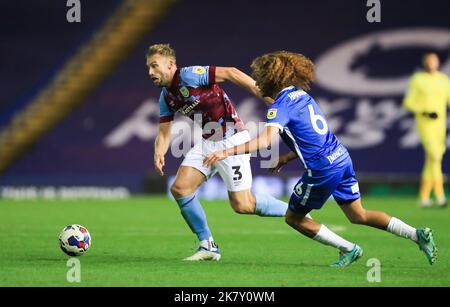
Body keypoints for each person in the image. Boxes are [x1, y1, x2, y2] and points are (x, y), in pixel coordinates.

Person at [204, 51, 438, 267]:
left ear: (271, 80)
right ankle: (416, 234)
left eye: (261, 77)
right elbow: (312, 136)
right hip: (341, 157)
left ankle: (348, 248)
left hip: (322, 169)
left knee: (293, 218)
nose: (259, 81)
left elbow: (264, 142)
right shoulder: (301, 95)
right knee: (359, 215)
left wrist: (227, 151)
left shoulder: (278, 109)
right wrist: (287, 157)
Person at [147, 44, 294, 261]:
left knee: (243, 205)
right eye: (148, 68)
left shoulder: (189, 75)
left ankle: (296, 211)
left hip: (232, 140)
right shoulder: (166, 97)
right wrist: (159, 152)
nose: (150, 72)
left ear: (170, 65)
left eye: (154, 66)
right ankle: (208, 246)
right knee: (180, 189)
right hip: (208, 143)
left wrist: (264, 95)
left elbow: (232, 73)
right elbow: (164, 132)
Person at [403, 52, 450, 208]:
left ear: (438, 62)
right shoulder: (418, 79)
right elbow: (409, 102)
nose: (431, 63)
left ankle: (423, 197)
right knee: (435, 156)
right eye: (429, 60)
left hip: (440, 125)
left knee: (433, 160)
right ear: (425, 63)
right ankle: (440, 195)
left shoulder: (444, 80)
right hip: (425, 123)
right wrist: (423, 110)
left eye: (434, 60)